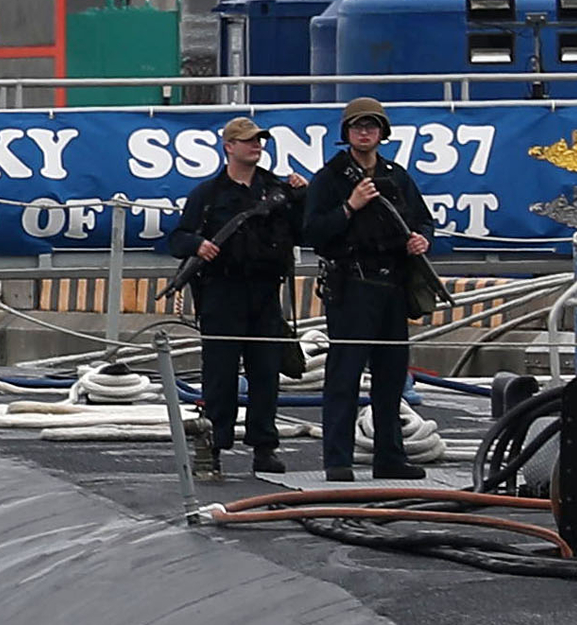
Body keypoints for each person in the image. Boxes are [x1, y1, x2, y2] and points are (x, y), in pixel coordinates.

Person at [298, 97, 435, 482]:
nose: (364, 133)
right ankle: (337, 459)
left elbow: (423, 221)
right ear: (347, 133)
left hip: (393, 284)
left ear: (382, 133)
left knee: (392, 377)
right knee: (345, 375)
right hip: (352, 285)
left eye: (371, 127)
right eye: (358, 127)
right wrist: (349, 207)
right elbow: (312, 232)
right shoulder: (330, 179)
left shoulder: (396, 176)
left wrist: (421, 240)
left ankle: (389, 456)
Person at [167, 117, 306, 478]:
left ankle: (264, 446)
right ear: (229, 146)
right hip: (222, 292)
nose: (255, 146)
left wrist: (302, 195)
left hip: (264, 291)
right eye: (247, 141)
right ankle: (214, 445)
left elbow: (305, 228)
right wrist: (200, 244)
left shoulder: (276, 189)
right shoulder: (208, 195)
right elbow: (176, 239)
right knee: (220, 376)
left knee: (265, 373)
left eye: (259, 141)